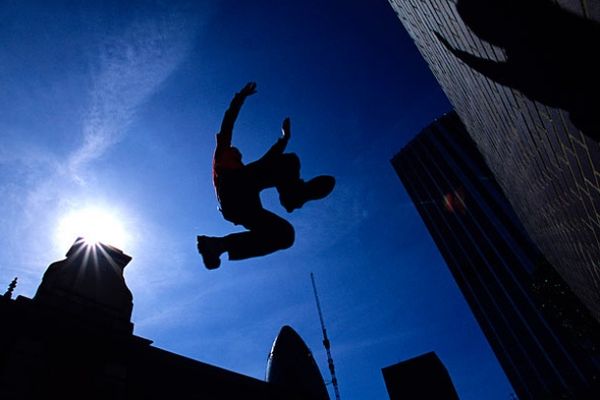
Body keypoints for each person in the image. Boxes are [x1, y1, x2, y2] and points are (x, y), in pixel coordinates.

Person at [197, 82, 335, 269]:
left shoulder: (243, 172)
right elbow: (228, 123)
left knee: (285, 235)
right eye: (236, 154)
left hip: (240, 206)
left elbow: (268, 162)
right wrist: (240, 98)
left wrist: (284, 139)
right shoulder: (222, 154)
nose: (238, 155)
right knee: (289, 162)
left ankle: (218, 245)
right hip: (232, 189)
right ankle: (294, 197)